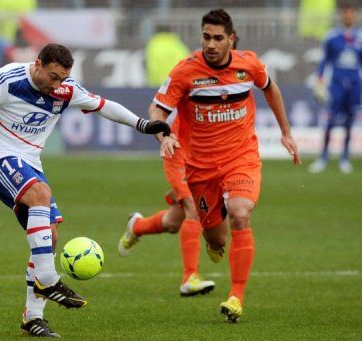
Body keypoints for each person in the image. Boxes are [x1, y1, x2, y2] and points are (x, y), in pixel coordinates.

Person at [0, 43, 170, 337]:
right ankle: (49, 279)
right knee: (41, 194)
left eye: (63, 78)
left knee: (49, 239)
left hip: (30, 162)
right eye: (53, 76)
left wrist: (141, 124)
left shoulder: (65, 88)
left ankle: (33, 318)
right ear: (38, 63)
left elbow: (103, 106)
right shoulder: (8, 78)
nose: (58, 85)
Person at [123, 9, 300, 322]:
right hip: (200, 168)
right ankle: (172, 234)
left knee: (241, 213)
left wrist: (286, 132)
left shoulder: (249, 65)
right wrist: (162, 134)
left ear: (230, 39)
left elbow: (270, 88)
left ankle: (235, 297)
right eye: (206, 37)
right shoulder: (185, 72)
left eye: (218, 38)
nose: (211, 44)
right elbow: (157, 108)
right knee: (216, 238)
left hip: (241, 159)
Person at [119, 32, 240, 297]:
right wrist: (164, 136)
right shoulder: (191, 73)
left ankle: (137, 227)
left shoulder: (237, 83)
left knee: (177, 220)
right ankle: (190, 278)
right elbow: (158, 108)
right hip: (180, 154)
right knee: (193, 210)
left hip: (208, 161)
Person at [310, 2, 362, 174]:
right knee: (330, 120)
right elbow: (324, 61)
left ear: (355, 16)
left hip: (355, 85)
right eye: (346, 13)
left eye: (351, 14)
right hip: (336, 85)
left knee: (349, 122)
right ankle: (323, 157)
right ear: (342, 16)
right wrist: (319, 81)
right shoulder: (331, 37)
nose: (348, 16)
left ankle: (345, 157)